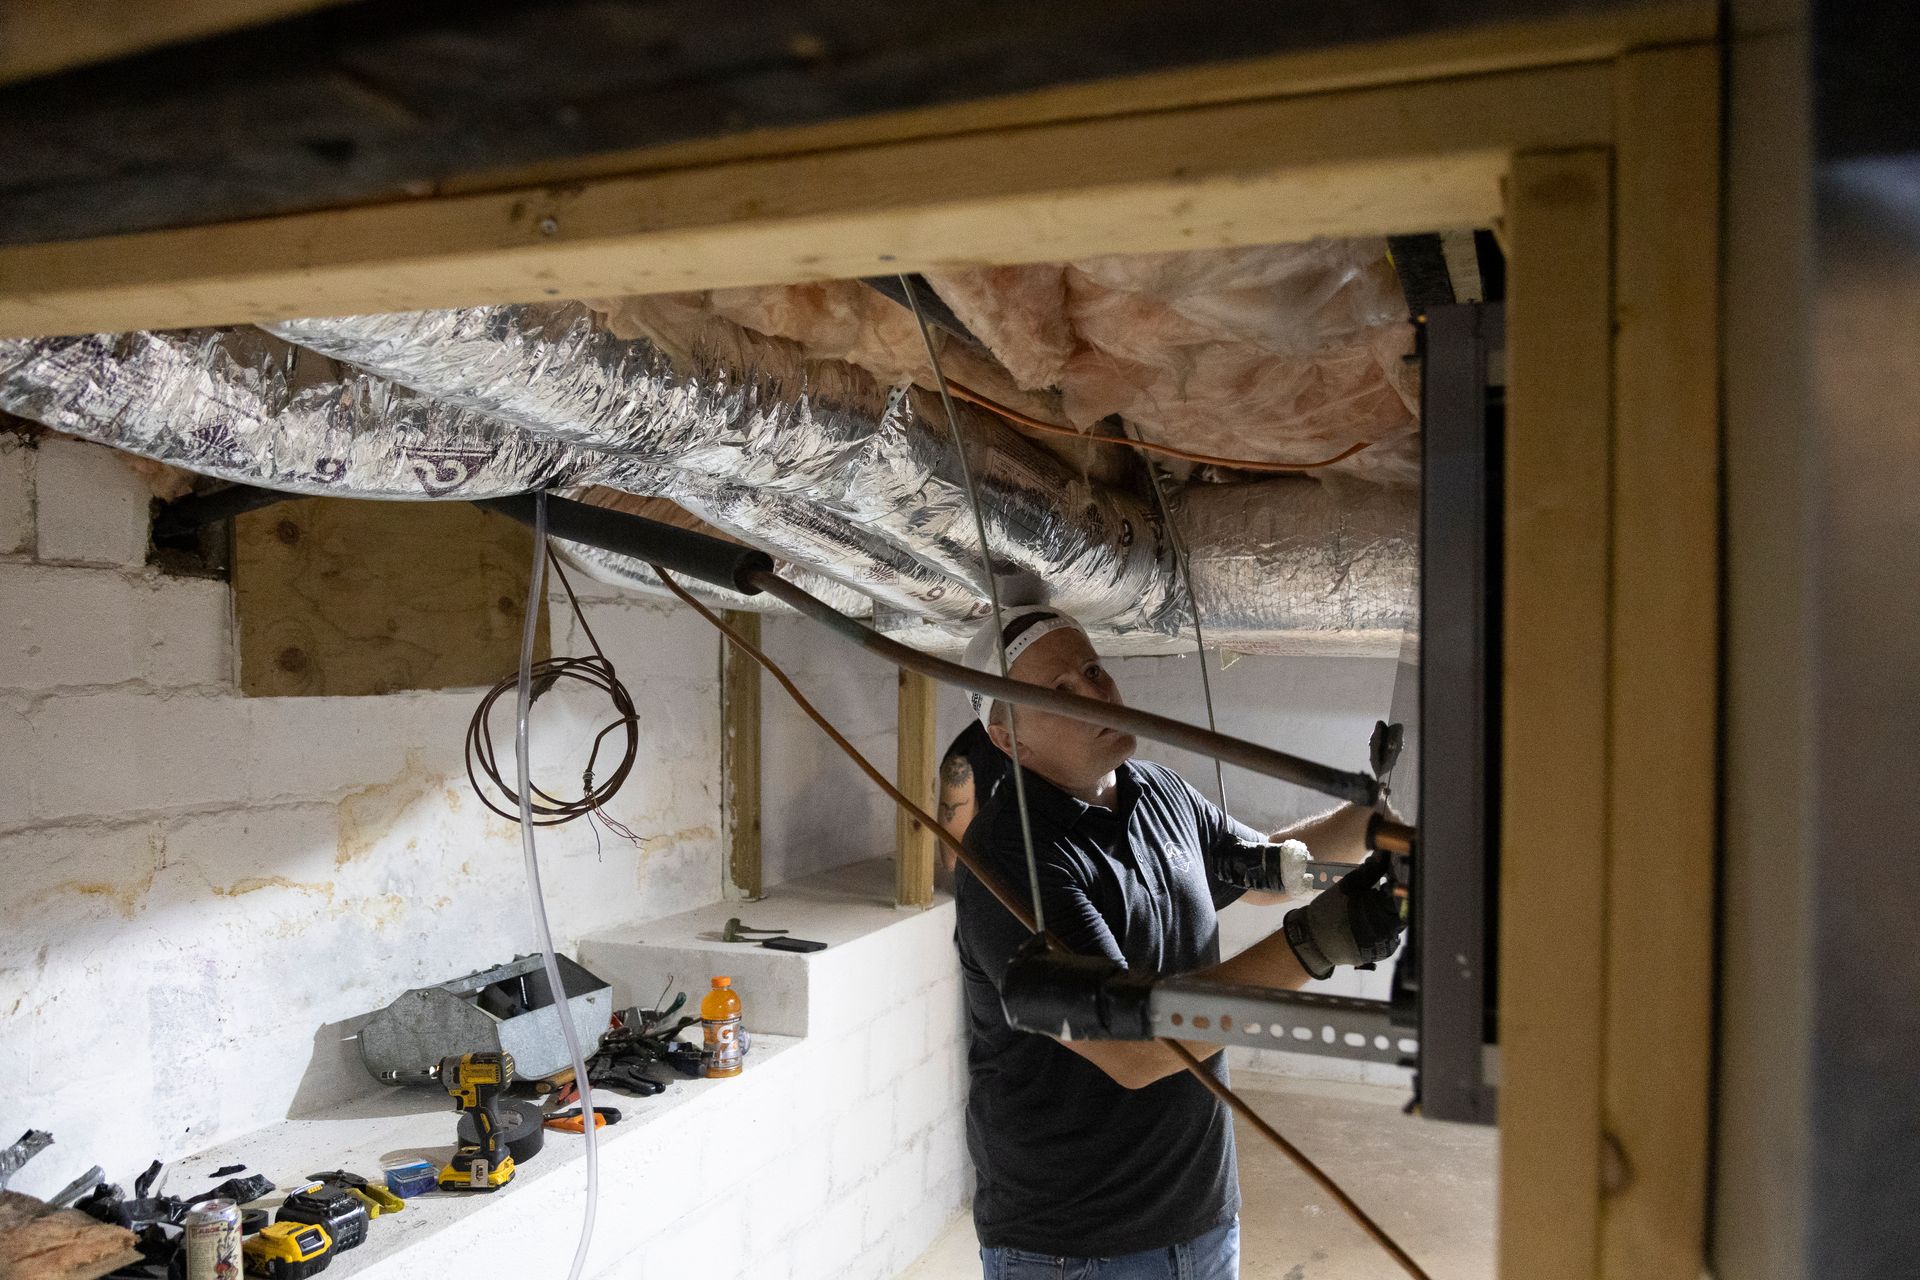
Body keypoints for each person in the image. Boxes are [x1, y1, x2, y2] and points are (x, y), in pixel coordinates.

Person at [954, 605, 1402, 1280]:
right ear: (1009, 740)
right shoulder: (1009, 854)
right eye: (1058, 693)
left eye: (1094, 671)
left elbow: (1259, 868)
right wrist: (1316, 943)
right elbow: (1135, 1049)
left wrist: (1369, 821)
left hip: (1201, 1214)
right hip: (1074, 1246)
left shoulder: (1158, 792)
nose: (1097, 694)